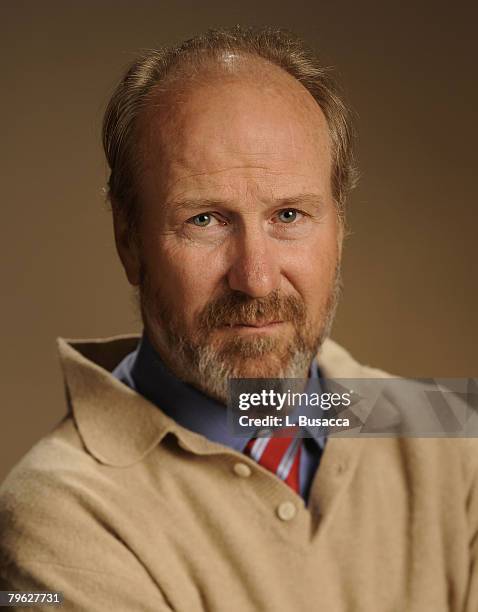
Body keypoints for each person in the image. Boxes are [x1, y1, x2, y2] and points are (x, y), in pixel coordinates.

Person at [1, 26, 477, 612]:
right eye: (205, 220)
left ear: (339, 229)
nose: (255, 277)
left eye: (289, 214)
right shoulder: (54, 518)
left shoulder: (452, 430)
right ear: (129, 242)